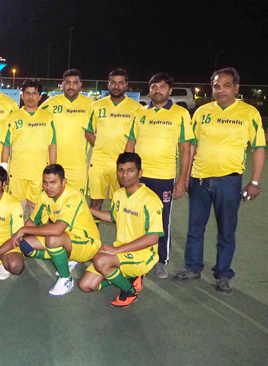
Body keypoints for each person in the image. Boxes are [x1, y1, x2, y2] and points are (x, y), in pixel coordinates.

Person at [175, 67, 266, 295]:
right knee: (195, 228)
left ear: (236, 87)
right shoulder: (202, 112)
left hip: (229, 182)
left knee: (226, 231)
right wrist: (185, 178)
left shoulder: (249, 113)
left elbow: (258, 148)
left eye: (226, 85)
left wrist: (255, 182)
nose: (220, 90)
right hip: (200, 180)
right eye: (216, 86)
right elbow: (192, 146)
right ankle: (192, 267)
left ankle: (223, 275)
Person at [125, 73, 194, 278]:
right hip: (139, 177)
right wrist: (126, 172)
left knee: (161, 220)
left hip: (164, 177)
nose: (157, 90)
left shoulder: (180, 114)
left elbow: (185, 149)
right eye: (154, 86)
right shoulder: (139, 113)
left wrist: (182, 180)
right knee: (135, 216)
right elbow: (131, 143)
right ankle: (136, 256)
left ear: (170, 91)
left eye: (162, 87)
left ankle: (160, 261)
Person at [79, 152, 164, 308]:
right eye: (121, 170)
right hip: (122, 251)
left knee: (100, 260)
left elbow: (153, 238)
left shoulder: (151, 200)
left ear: (140, 173)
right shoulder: (119, 194)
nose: (125, 175)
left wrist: (116, 250)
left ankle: (129, 291)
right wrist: (88, 209)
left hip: (143, 254)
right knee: (86, 285)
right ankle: (130, 277)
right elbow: (113, 217)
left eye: (130, 170)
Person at [12, 164, 101, 297]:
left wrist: (24, 229)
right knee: (24, 245)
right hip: (66, 238)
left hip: (87, 243)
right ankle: (66, 258)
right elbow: (33, 221)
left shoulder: (73, 197)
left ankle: (66, 279)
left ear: (64, 182)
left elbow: (57, 229)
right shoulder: (44, 196)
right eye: (45, 182)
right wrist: (16, 235)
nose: (48, 187)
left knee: (52, 238)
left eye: (53, 182)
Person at [84, 69, 141, 215]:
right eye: (113, 82)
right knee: (95, 203)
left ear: (126, 85)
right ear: (108, 84)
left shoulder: (137, 108)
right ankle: (92, 230)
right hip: (99, 162)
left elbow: (137, 136)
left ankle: (122, 230)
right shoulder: (96, 106)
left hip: (122, 164)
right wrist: (100, 146)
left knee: (123, 203)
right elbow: (88, 131)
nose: (116, 86)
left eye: (120, 83)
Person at [2, 79, 56, 214]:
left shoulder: (48, 117)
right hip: (17, 171)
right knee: (18, 207)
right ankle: (18, 229)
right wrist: (4, 169)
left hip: (39, 171)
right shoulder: (13, 117)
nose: (30, 97)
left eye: (34, 93)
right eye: (27, 93)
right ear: (22, 95)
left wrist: (53, 170)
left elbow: (53, 145)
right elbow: (6, 145)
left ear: (40, 96)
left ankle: (33, 229)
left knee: (35, 207)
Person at [41, 69, 94, 193]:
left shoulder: (90, 105)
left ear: (80, 85)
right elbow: (35, 118)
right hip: (54, 164)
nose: (71, 86)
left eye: (75, 83)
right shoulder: (50, 103)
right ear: (62, 84)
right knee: (52, 200)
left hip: (78, 166)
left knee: (77, 200)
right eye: (68, 82)